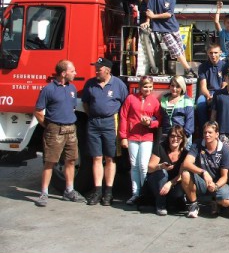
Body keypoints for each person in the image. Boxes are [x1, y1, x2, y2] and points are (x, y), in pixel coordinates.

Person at [33, 59, 85, 207]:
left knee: (71, 160)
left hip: (71, 129)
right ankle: (43, 193)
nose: (75, 73)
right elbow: (38, 111)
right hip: (55, 129)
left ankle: (69, 191)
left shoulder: (72, 89)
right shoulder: (48, 89)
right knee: (50, 161)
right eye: (72, 71)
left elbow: (73, 108)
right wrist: (48, 126)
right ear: (63, 73)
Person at [82, 57, 128, 206]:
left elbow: (124, 105)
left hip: (110, 123)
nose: (96, 70)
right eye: (96, 67)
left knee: (110, 158)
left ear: (107, 70)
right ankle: (97, 191)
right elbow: (85, 103)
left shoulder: (118, 85)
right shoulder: (90, 84)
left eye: (99, 68)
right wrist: (94, 116)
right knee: (96, 157)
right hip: (94, 122)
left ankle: (108, 192)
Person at [142, 0, 196, 78]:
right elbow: (149, 10)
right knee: (175, 49)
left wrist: (154, 16)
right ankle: (188, 70)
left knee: (180, 49)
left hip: (173, 27)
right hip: (163, 30)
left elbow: (169, 14)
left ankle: (185, 69)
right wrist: (148, 21)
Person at [119, 76, 161, 205]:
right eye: (145, 87)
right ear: (140, 87)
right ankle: (135, 194)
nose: (147, 89)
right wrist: (123, 137)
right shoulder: (131, 99)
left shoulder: (154, 101)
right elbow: (123, 117)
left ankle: (145, 192)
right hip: (133, 137)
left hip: (147, 137)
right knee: (134, 166)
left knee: (143, 165)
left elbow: (159, 120)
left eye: (150, 87)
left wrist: (150, 123)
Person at [181, 121, 229, 218]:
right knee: (185, 174)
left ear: (217, 134)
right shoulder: (197, 144)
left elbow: (224, 176)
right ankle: (194, 204)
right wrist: (203, 172)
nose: (207, 135)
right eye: (205, 132)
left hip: (218, 183)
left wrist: (216, 186)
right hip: (202, 181)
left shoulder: (224, 149)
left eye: (210, 132)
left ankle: (214, 201)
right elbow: (186, 163)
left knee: (227, 202)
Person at [146, 124, 188, 215]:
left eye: (178, 137)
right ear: (168, 137)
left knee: (177, 194)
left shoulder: (185, 153)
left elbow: (183, 175)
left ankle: (170, 201)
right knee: (163, 173)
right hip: (157, 180)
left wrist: (170, 183)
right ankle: (160, 205)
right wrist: (160, 166)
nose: (175, 139)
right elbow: (149, 168)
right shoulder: (160, 147)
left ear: (182, 139)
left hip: (173, 182)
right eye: (172, 136)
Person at [196, 43, 227, 129]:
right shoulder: (202, 67)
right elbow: (203, 86)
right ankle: (205, 129)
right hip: (208, 93)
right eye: (211, 53)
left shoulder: (225, 66)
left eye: (216, 52)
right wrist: (208, 96)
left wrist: (216, 96)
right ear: (207, 53)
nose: (213, 55)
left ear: (220, 52)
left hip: (221, 92)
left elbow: (225, 84)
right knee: (200, 103)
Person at [159, 75, 195, 148]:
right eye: (172, 86)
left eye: (177, 86)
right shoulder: (164, 99)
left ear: (182, 87)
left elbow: (190, 121)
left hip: (182, 137)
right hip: (167, 136)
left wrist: (182, 137)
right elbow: (159, 116)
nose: (174, 89)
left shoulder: (187, 101)